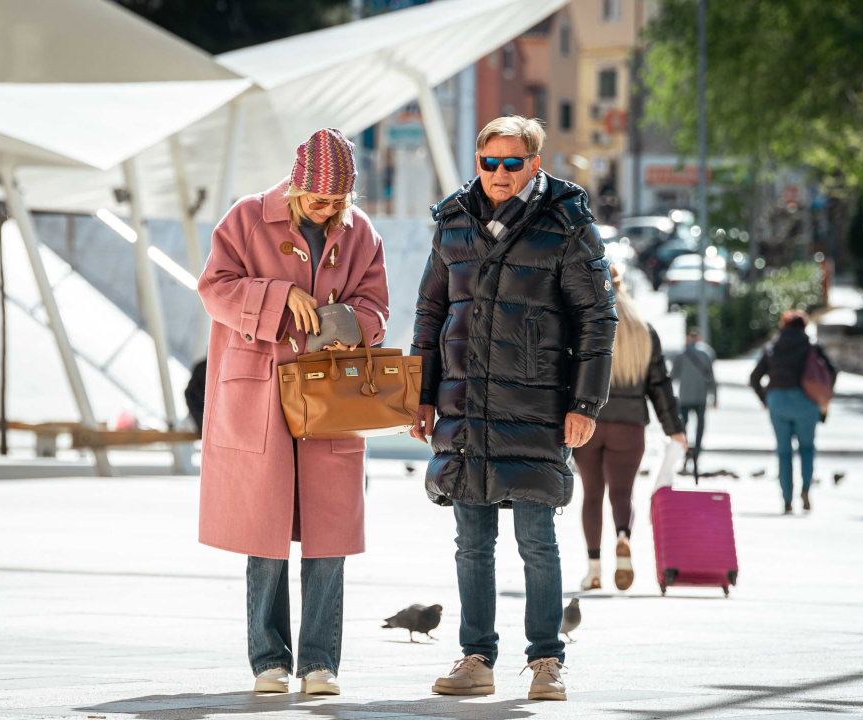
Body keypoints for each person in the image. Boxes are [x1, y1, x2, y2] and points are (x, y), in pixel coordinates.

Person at [410, 115, 617, 702]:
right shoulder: (453, 221)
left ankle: (547, 660)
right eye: (489, 163)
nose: (499, 175)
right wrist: (422, 395)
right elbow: (430, 315)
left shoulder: (568, 222)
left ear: (535, 163)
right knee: (471, 540)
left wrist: (586, 402)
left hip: (538, 404)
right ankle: (476, 657)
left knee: (537, 539)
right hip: (464, 404)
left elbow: (597, 319)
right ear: (478, 163)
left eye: (512, 163)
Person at [197, 128, 389, 696]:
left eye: (338, 203)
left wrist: (344, 323)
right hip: (258, 388)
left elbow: (376, 305)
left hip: (330, 389)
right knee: (264, 526)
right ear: (297, 186)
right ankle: (268, 661)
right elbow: (214, 287)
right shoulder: (247, 217)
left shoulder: (361, 233)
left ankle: (320, 664)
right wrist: (281, 298)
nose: (329, 211)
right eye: (318, 201)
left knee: (331, 528)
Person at [573, 265, 687, 592]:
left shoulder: (587, 326)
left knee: (592, 495)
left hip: (589, 423)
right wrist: (674, 429)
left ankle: (594, 569)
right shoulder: (642, 329)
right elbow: (660, 385)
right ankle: (623, 538)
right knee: (622, 493)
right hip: (630, 426)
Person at [750, 310, 837, 515]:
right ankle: (806, 488)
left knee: (784, 452)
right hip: (806, 402)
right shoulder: (812, 345)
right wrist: (824, 397)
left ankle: (787, 499)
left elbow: (754, 378)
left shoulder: (773, 346)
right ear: (804, 326)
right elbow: (833, 371)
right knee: (807, 449)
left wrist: (766, 400)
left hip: (777, 400)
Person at [671, 326, 717, 475]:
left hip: (685, 397)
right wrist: (715, 397)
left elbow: (673, 377)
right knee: (700, 427)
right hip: (700, 397)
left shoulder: (681, 355)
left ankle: (686, 451)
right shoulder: (706, 354)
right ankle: (697, 452)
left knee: (684, 426)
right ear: (699, 338)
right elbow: (711, 378)